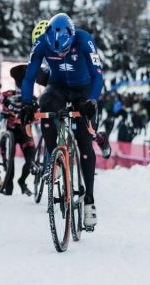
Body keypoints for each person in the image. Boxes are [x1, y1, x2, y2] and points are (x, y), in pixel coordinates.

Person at [19, 13, 111, 229]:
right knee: (45, 105)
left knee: (85, 141)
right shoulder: (42, 41)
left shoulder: (84, 39)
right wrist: (26, 103)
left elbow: (98, 77)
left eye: (65, 51)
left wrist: (92, 100)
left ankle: (89, 201)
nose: (60, 55)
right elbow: (29, 76)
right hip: (58, 88)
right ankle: (54, 159)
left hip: (84, 89)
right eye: (56, 52)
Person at [0, 65, 39, 196]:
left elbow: (38, 116)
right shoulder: (7, 94)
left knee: (31, 160)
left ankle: (22, 182)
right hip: (9, 132)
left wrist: (36, 115)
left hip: (25, 132)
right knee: (9, 163)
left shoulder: (32, 99)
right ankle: (8, 189)